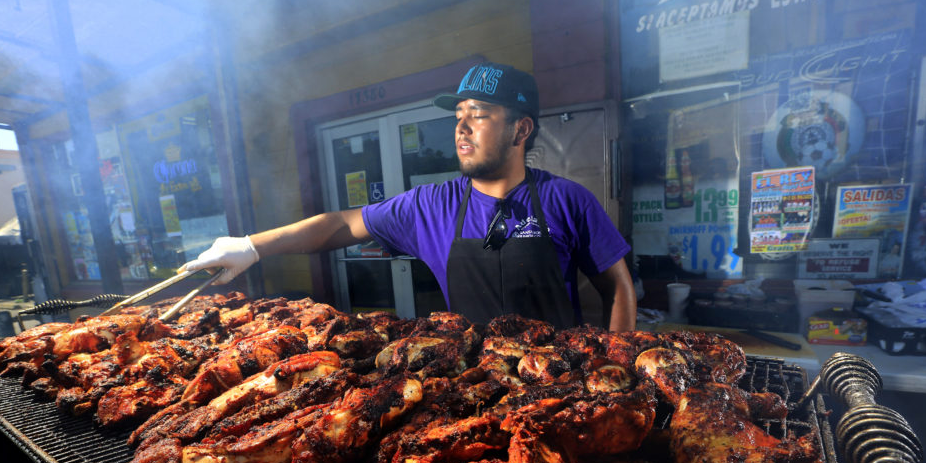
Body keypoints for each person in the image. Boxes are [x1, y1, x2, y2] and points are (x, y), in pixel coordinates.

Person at [181, 61, 636, 331]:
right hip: (475, 386)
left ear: (521, 128)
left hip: (557, 384)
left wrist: (617, 366)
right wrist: (253, 246)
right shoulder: (429, 206)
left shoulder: (569, 201)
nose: (461, 126)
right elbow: (341, 224)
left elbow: (617, 287)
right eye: (458, 114)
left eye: (478, 114)